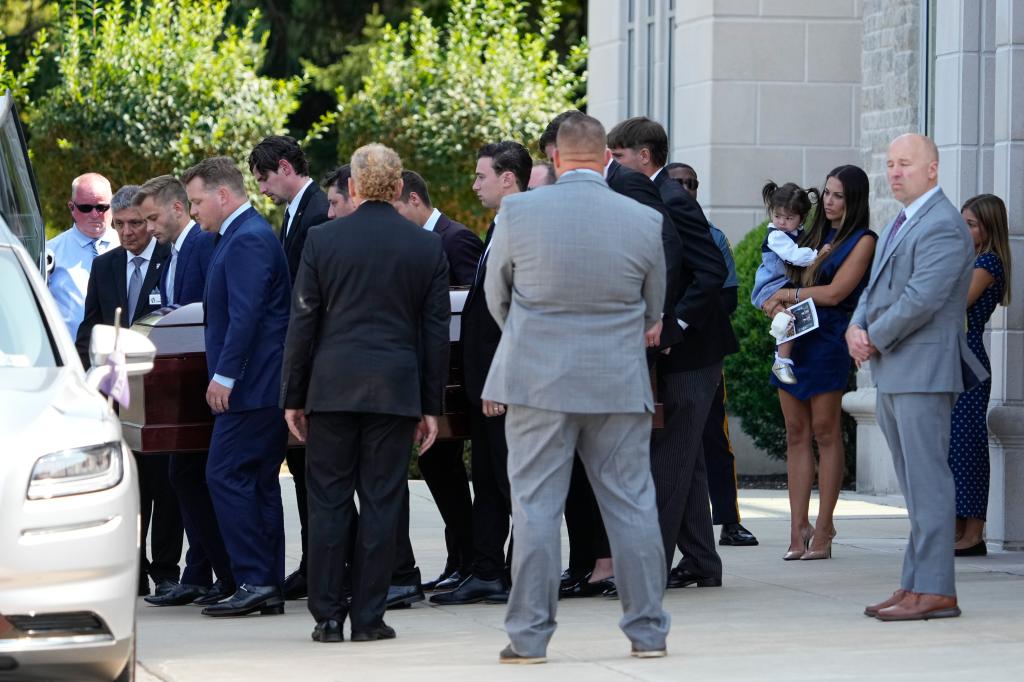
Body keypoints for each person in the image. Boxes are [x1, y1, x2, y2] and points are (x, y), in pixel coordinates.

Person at [483, 114, 669, 663]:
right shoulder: (641, 218)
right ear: (604, 158)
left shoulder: (518, 211)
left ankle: (530, 638)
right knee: (633, 505)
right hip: (617, 379)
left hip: (537, 380)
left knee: (536, 508)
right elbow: (653, 307)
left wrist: (528, 335)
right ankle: (648, 633)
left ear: (557, 159)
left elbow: (497, 296)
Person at [280, 143, 450, 644]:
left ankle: (328, 615)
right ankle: (371, 617)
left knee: (328, 502)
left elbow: (303, 322)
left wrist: (293, 394)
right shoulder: (425, 246)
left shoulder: (322, 241)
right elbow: (433, 334)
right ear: (398, 188)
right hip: (395, 392)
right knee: (382, 503)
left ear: (352, 187)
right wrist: (431, 405)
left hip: (331, 389)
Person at [542, 110, 684, 598]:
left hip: (615, 355)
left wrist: (653, 317)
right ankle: (593, 563)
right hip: (584, 358)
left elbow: (660, 253)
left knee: (617, 474)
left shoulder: (630, 186)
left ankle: (618, 570)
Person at [849, 134, 986, 621]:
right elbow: (874, 286)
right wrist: (855, 326)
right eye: (889, 164)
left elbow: (922, 299)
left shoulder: (945, 225)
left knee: (928, 484)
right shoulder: (900, 222)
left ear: (933, 169)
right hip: (895, 369)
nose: (894, 172)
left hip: (923, 370)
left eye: (905, 164)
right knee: (914, 485)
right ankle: (914, 585)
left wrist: (873, 337)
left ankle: (936, 590)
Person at [607, 116, 731, 592]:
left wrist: (674, 323)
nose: (614, 167)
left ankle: (647, 570)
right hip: (681, 348)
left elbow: (711, 270)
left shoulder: (673, 199)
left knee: (670, 459)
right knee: (687, 460)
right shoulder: (652, 196)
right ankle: (701, 561)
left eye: (618, 157)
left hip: (692, 351)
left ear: (644, 156)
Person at [182, 156, 291, 618]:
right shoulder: (243, 235)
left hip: (251, 387)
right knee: (257, 483)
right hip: (261, 387)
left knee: (223, 474)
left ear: (223, 196)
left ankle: (253, 578)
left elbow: (246, 316)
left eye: (196, 201)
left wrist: (224, 375)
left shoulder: (246, 239)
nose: (192, 212)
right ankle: (264, 583)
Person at [429, 141, 532, 606]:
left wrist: (500, 379)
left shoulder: (523, 228)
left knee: (510, 484)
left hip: (502, 386)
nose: (474, 185)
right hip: (487, 386)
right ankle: (488, 570)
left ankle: (526, 574)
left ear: (507, 178)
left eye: (481, 176)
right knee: (488, 481)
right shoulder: (501, 226)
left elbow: (519, 314)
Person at [760, 165, 875, 562]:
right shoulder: (806, 234)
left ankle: (825, 527)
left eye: (838, 195)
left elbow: (835, 292)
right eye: (826, 192)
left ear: (854, 199)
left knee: (825, 432)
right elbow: (773, 275)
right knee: (795, 432)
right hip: (793, 337)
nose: (828, 201)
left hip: (828, 339)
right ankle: (798, 529)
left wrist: (786, 294)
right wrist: (771, 300)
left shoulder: (863, 240)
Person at [75, 184, 181, 598]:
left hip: (161, 396)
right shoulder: (105, 267)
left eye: (135, 223)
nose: (127, 232)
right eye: (118, 225)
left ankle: (167, 569)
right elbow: (89, 328)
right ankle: (134, 571)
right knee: (130, 488)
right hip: (119, 399)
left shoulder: (171, 259)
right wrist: (99, 360)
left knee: (166, 487)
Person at [133, 174, 234, 608]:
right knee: (184, 477)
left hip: (201, 384)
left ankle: (217, 572)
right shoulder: (170, 251)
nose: (149, 227)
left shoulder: (201, 246)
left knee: (192, 477)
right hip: (180, 388)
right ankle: (199, 572)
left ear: (178, 208)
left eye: (153, 217)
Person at [390, 169, 481, 599]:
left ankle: (467, 558)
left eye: (392, 209)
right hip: (431, 378)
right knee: (437, 469)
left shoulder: (454, 238)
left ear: (412, 200)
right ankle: (457, 559)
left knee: (445, 469)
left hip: (452, 381)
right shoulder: (416, 244)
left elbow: (467, 311)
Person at [249, 135, 331, 601]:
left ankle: (327, 564)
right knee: (302, 471)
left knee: (314, 472)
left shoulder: (318, 211)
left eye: (262, 178)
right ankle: (315, 562)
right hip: (301, 363)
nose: (261, 189)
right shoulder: (296, 211)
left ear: (284, 167)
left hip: (316, 365)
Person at [665, 162, 757, 547]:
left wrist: (687, 318)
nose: (686, 189)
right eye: (678, 183)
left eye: (692, 183)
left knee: (715, 437)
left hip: (702, 351)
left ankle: (729, 519)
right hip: (668, 350)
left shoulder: (714, 236)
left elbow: (728, 296)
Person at [949, 194, 1012, 556]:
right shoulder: (969, 260)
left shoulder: (988, 262)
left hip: (968, 360)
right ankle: (958, 530)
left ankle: (974, 534)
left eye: (971, 224)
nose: (964, 229)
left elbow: (956, 301)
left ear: (988, 229)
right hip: (953, 356)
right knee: (952, 447)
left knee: (968, 447)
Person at [753, 181, 827, 384]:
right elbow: (794, 256)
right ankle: (781, 360)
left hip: (784, 284)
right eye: (777, 216)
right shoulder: (776, 236)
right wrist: (817, 256)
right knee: (787, 317)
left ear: (801, 218)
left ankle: (782, 359)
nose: (782, 222)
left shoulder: (798, 234)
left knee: (788, 319)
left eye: (789, 218)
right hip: (772, 285)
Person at [47, 173, 119, 340]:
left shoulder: (129, 248)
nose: (95, 214)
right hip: (70, 357)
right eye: (86, 208)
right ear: (71, 207)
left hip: (119, 354)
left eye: (102, 207)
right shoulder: (51, 253)